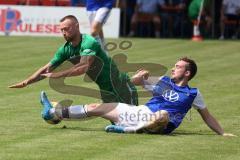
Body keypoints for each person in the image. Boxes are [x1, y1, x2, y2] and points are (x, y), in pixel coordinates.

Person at [40, 57, 236, 136]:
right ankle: (53, 113)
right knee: (97, 107)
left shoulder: (193, 94)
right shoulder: (162, 81)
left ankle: (128, 130)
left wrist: (221, 132)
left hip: (158, 122)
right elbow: (130, 84)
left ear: (187, 73)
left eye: (178, 67)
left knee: (162, 115)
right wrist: (138, 77)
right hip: (138, 113)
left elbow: (207, 115)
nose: (173, 68)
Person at [9, 15, 138, 105]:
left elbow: (83, 67)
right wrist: (27, 81)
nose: (64, 32)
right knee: (119, 125)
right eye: (62, 30)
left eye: (67, 28)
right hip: (105, 90)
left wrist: (58, 75)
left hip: (121, 86)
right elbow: (47, 69)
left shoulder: (89, 42)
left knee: (135, 125)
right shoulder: (65, 49)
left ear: (77, 26)